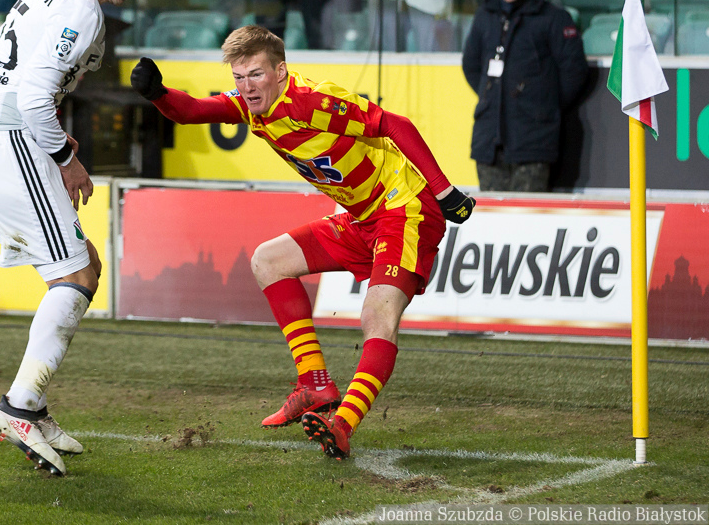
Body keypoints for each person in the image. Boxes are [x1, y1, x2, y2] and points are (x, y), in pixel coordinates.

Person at [130, 25, 475, 460]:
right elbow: (193, 111)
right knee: (268, 261)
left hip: (404, 208)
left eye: (256, 75)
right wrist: (158, 93)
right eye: (239, 77)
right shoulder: (253, 107)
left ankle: (342, 424)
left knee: (377, 315)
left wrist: (445, 192)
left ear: (280, 71)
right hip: (362, 218)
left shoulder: (311, 102)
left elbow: (396, 125)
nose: (246, 87)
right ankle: (314, 384)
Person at [0, 0, 158, 476]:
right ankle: (18, 407)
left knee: (85, 266)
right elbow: (35, 98)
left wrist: (44, 135)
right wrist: (66, 159)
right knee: (77, 275)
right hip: (3, 142)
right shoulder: (81, 8)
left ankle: (32, 406)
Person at [462, 0, 589, 192]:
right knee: (493, 214)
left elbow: (574, 72)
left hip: (534, 144)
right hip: (488, 144)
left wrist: (543, 104)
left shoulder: (555, 19)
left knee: (528, 214)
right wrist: (493, 97)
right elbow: (471, 65)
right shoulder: (484, 16)